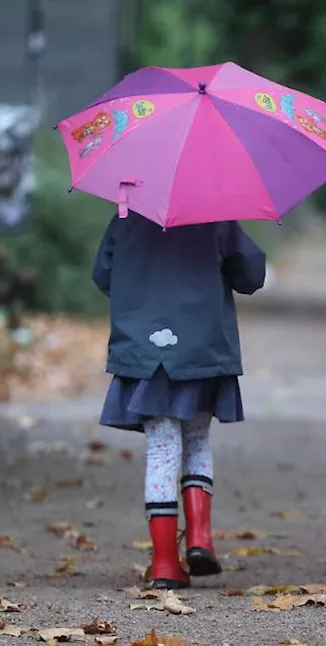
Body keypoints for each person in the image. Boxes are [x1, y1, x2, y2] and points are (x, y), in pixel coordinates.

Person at [92, 211, 266, 589]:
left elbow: (103, 276)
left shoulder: (126, 215)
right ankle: (201, 537)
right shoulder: (214, 214)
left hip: (145, 351)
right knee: (197, 440)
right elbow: (251, 275)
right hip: (200, 349)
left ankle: (166, 563)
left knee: (161, 449)